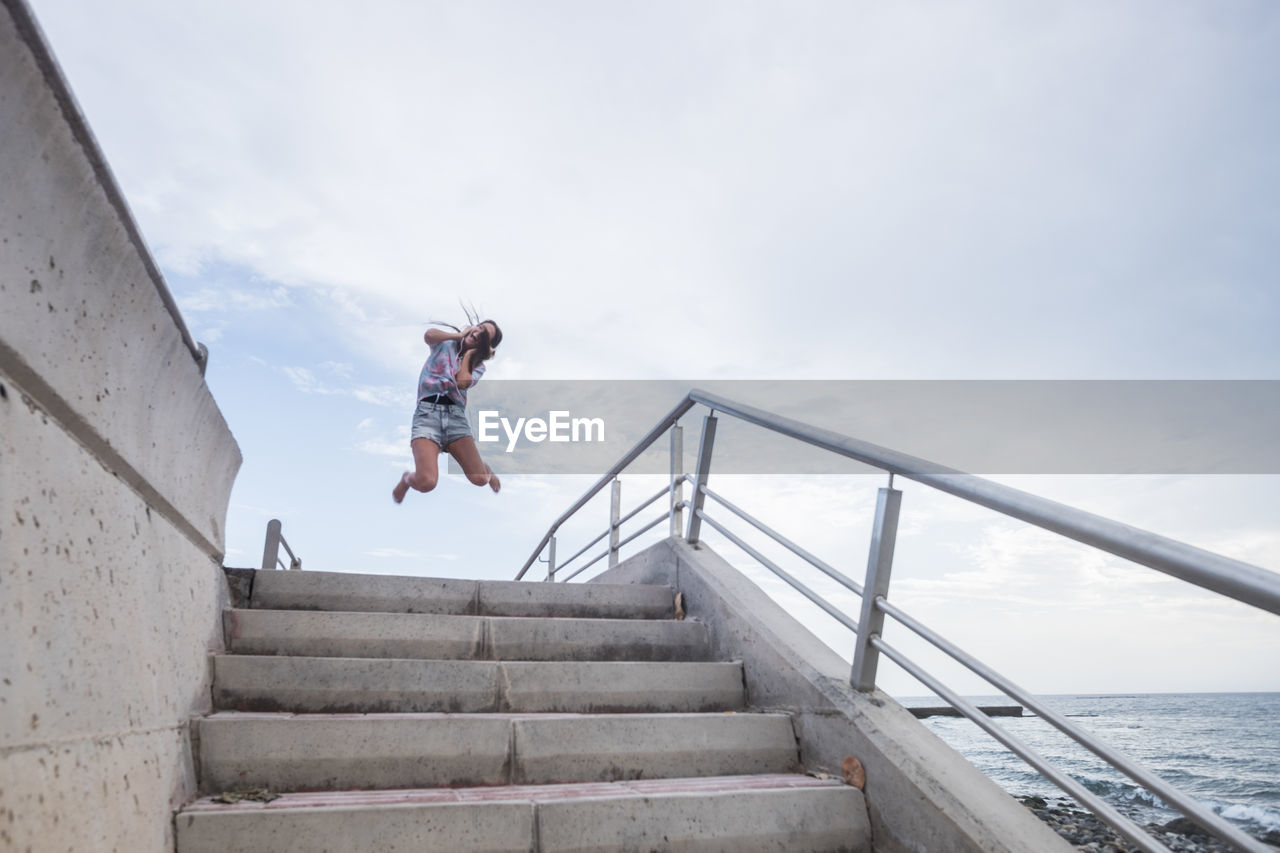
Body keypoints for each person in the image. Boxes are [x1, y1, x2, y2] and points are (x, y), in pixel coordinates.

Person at [393, 318, 503, 503]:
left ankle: (487, 471)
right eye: (480, 328)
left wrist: (468, 356)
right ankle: (407, 479)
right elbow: (429, 335)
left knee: (479, 479)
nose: (478, 333)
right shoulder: (445, 343)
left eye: (484, 336)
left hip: (455, 419)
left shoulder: (478, 367)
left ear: (484, 347)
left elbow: (462, 382)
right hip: (427, 415)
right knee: (426, 482)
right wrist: (460, 335)